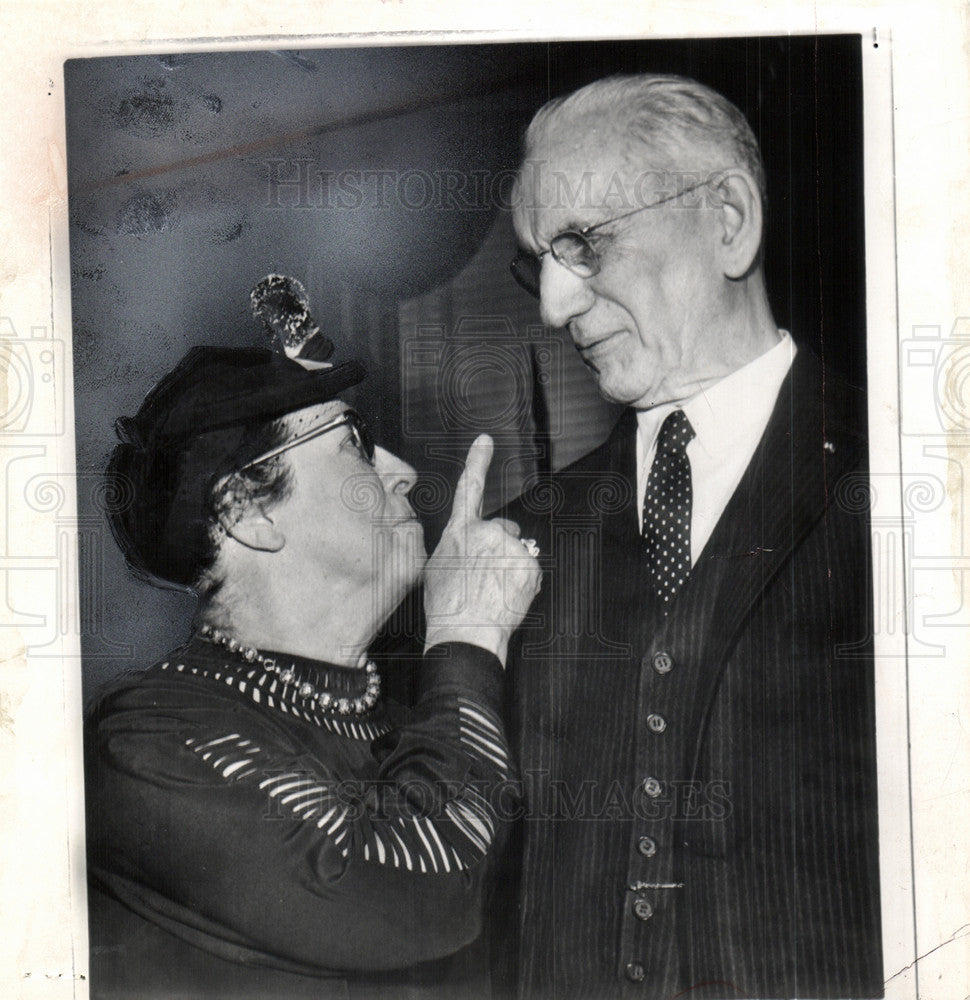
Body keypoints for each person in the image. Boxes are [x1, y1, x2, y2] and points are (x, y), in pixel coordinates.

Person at [499, 73, 882, 998]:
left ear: (730, 222)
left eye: (584, 243)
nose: (553, 306)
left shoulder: (917, 482)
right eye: (540, 262)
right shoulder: (522, 543)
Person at [84, 322, 541, 999]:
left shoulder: (405, 715)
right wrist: (468, 635)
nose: (403, 471)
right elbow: (418, 901)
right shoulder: (147, 741)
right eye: (355, 444)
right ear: (246, 512)